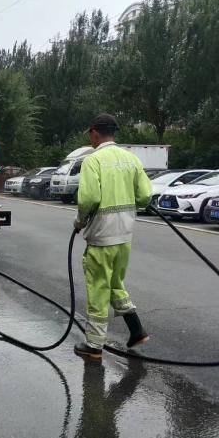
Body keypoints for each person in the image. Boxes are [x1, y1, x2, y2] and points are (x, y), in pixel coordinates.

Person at [73, 114, 153, 360]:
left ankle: (94, 346)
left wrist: (80, 221)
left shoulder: (93, 160)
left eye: (90, 134)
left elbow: (88, 199)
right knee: (115, 284)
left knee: (98, 287)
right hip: (124, 236)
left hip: (102, 236)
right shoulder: (131, 159)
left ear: (95, 133)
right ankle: (137, 330)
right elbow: (145, 196)